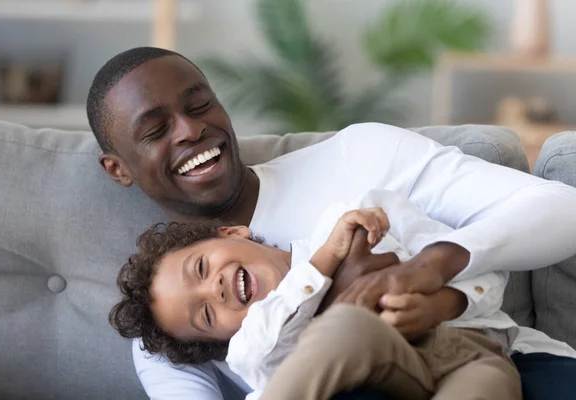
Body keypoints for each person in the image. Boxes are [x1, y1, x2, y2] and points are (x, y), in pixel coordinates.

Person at [87, 46, 576, 400]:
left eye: (199, 106)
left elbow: (563, 211)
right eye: (155, 130)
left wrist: (435, 269)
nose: (191, 130)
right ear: (118, 169)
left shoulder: (359, 167)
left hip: (503, 362)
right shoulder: (166, 324)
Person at [111, 188, 572, 399]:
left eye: (201, 268)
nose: (214, 291)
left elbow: (480, 269)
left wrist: (442, 302)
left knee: (488, 389)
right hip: (369, 367)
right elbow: (255, 354)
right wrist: (323, 263)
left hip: (474, 353)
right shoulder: (260, 344)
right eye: (206, 315)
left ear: (233, 231)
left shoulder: (355, 215)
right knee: (345, 326)